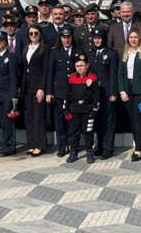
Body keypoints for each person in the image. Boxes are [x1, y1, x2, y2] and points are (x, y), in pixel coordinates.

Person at [46, 26, 84, 157]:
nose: (66, 40)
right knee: (60, 121)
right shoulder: (55, 52)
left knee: (73, 121)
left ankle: (73, 145)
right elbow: (50, 73)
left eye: (68, 37)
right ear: (60, 38)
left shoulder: (78, 51)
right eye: (63, 37)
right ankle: (61, 147)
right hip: (59, 92)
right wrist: (49, 92)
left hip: (74, 92)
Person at [118, 28, 141, 162]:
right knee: (132, 120)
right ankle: (136, 144)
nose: (133, 39)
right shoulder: (124, 53)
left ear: (139, 39)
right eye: (131, 37)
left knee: (138, 120)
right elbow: (120, 74)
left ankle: (138, 149)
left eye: (135, 37)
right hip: (127, 90)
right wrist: (122, 91)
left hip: (140, 90)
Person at [88, 28, 119, 159]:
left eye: (99, 38)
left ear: (104, 39)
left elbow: (113, 74)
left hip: (107, 92)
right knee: (97, 121)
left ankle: (108, 148)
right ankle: (99, 146)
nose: (97, 40)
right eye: (95, 38)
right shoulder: (91, 53)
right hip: (94, 93)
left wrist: (113, 92)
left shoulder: (111, 53)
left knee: (108, 120)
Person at [65, 54, 101, 163]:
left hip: (88, 109)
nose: (80, 68)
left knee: (88, 132)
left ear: (87, 66)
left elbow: (96, 95)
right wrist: (66, 109)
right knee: (74, 132)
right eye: (77, 66)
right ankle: (73, 153)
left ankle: (89, 153)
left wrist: (95, 109)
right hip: (75, 109)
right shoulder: (71, 78)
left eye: (82, 65)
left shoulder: (93, 78)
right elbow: (67, 95)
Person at [22, 24, 49, 157]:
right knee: (29, 116)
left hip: (37, 86)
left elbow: (45, 70)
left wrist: (42, 88)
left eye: (36, 33)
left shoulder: (44, 49)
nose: (33, 36)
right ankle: (31, 144)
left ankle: (39, 145)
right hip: (26, 86)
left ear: (40, 35)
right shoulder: (26, 48)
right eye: (31, 33)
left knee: (39, 117)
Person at [0, 30, 20, 157]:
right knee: (3, 121)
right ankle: (6, 143)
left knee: (8, 122)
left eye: (1, 41)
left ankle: (10, 146)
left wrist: (14, 96)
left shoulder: (11, 57)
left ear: (5, 42)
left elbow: (14, 77)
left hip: (8, 94)